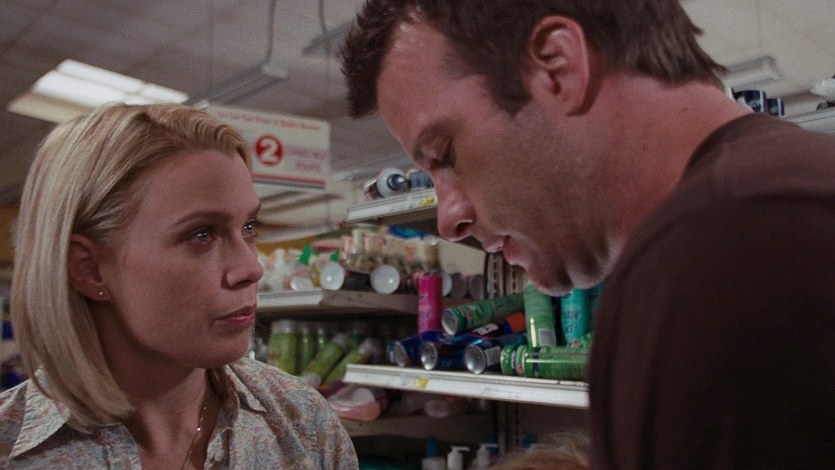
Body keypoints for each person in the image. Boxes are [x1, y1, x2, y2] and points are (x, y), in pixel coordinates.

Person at [341, 1, 835, 468]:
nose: (449, 221)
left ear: (557, 69)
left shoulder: (718, 252)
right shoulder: (785, 190)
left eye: (445, 153)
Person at [0, 103, 358, 469]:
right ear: (89, 269)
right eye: (201, 235)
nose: (251, 268)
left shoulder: (304, 423)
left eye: (249, 228)